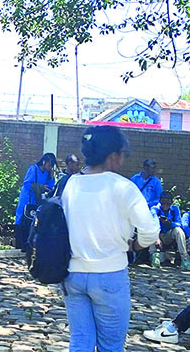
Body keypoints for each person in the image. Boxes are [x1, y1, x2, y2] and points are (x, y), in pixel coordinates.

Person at [62, 126, 159, 351]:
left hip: (72, 274)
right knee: (111, 346)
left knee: (80, 342)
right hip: (109, 274)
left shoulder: (71, 184)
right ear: (113, 155)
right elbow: (150, 232)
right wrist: (135, 245)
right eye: (124, 154)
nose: (123, 160)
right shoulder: (123, 187)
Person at [15, 153, 56, 250]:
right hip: (27, 199)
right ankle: (19, 245)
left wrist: (51, 178)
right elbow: (27, 184)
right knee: (22, 220)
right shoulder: (33, 169)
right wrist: (41, 187)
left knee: (32, 223)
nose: (50, 167)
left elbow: (49, 188)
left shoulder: (47, 173)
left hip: (36, 201)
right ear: (44, 162)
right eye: (49, 165)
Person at [149, 192, 190, 269]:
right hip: (158, 234)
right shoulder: (154, 209)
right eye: (163, 203)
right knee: (151, 230)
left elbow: (179, 224)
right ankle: (154, 255)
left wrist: (170, 223)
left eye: (168, 203)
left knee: (178, 230)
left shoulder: (175, 209)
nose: (165, 205)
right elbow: (155, 223)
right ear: (160, 201)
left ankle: (184, 258)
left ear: (171, 203)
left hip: (169, 235)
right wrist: (157, 237)